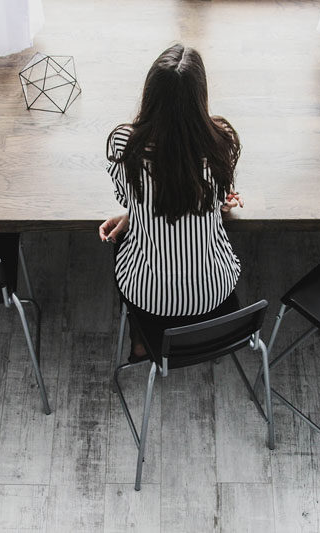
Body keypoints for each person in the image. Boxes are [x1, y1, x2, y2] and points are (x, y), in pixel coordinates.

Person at [99, 43, 244, 361]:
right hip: (214, 290)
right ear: (200, 96)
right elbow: (219, 198)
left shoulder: (124, 144)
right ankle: (207, 333)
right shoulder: (222, 141)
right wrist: (221, 200)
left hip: (147, 294)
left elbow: (126, 196)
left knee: (117, 245)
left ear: (149, 95)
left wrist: (130, 217)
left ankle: (140, 342)